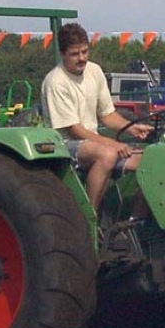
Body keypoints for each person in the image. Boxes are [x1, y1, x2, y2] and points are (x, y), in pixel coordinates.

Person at [41, 23, 152, 213]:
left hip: (91, 141)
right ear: (63, 54)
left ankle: (135, 219)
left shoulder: (95, 71)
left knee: (151, 159)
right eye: (75, 54)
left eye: (84, 51)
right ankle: (89, 218)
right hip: (64, 145)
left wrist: (132, 128)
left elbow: (107, 115)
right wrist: (113, 144)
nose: (81, 58)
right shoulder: (55, 82)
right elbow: (74, 130)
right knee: (107, 154)